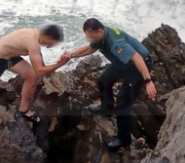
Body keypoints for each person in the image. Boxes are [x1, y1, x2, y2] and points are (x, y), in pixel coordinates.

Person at [63, 19, 157, 150]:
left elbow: (137, 58)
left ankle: (124, 139)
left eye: (91, 37)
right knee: (103, 80)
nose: (89, 39)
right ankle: (106, 108)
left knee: (122, 104)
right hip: (123, 63)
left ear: (100, 31)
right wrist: (71, 55)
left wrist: (148, 81)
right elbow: (90, 48)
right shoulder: (100, 36)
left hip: (138, 67)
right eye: (87, 36)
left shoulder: (116, 43)